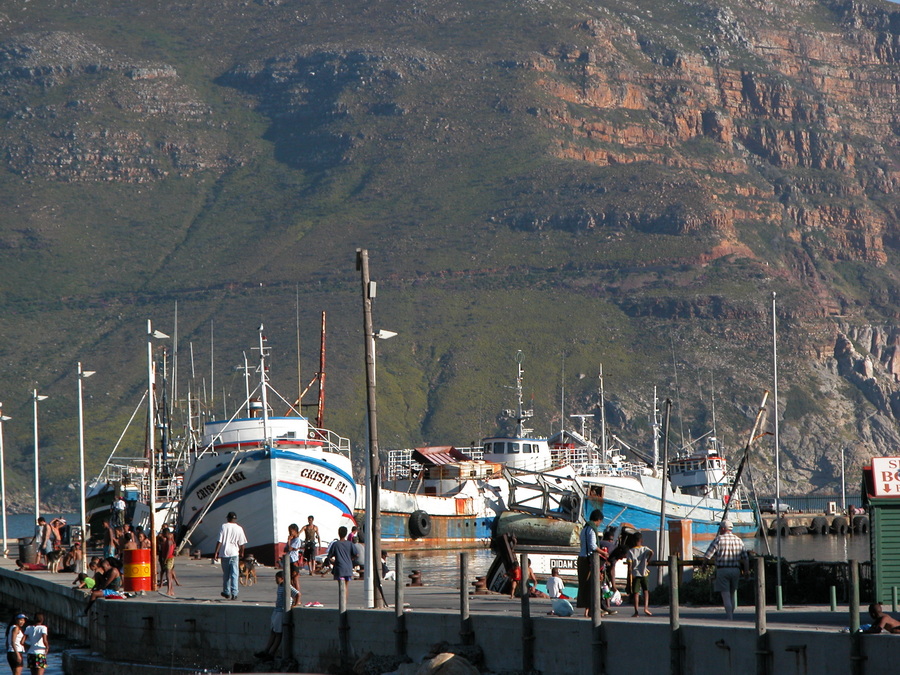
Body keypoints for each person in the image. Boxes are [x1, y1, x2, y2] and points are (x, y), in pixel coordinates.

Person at [702, 519, 749, 620]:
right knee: (732, 593)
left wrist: (704, 566)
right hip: (736, 570)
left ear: (723, 528)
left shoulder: (719, 539)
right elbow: (745, 558)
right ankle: (731, 614)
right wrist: (746, 571)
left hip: (723, 570)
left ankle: (729, 617)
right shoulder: (738, 540)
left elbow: (707, 555)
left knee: (725, 594)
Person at [254, 570, 300, 661]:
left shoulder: (288, 587)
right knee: (273, 631)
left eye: (277, 578)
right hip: (277, 610)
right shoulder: (280, 586)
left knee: (278, 634)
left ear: (282, 578)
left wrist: (295, 604)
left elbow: (298, 594)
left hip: (281, 611)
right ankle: (266, 651)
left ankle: (271, 653)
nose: (276, 580)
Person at [577, 509, 611, 617]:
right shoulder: (592, 529)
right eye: (600, 521)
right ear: (598, 520)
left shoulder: (584, 529)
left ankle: (589, 610)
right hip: (588, 560)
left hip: (582, 558)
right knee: (592, 585)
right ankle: (594, 609)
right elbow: (592, 546)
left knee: (585, 585)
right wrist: (604, 553)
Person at [213, 512, 248, 601]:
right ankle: (234, 593)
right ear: (235, 519)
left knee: (226, 574)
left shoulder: (224, 526)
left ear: (228, 518)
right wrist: (242, 552)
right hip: (234, 553)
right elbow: (242, 543)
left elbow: (219, 540)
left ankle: (227, 592)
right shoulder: (239, 528)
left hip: (225, 553)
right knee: (234, 574)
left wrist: (216, 552)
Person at [325, 526, 359, 606]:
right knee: (346, 586)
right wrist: (351, 559)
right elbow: (356, 554)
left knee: (341, 586)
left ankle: (342, 603)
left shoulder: (335, 544)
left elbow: (329, 556)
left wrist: (334, 562)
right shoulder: (350, 544)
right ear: (346, 534)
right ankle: (345, 603)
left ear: (338, 533)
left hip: (339, 568)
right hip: (348, 567)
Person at [626, 532, 653, 617]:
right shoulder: (645, 549)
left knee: (636, 593)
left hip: (635, 574)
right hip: (644, 572)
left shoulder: (631, 551)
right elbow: (652, 552)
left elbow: (630, 565)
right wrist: (647, 560)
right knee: (645, 591)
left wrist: (629, 575)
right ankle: (646, 608)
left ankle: (636, 611)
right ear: (642, 540)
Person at [284, 524, 302, 589]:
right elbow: (285, 549)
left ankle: (297, 594)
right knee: (289, 579)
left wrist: (288, 541)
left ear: (295, 531)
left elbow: (289, 548)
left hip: (294, 560)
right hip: (289, 560)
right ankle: (292, 594)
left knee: (295, 578)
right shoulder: (291, 540)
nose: (289, 533)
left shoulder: (297, 540)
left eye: (291, 531)